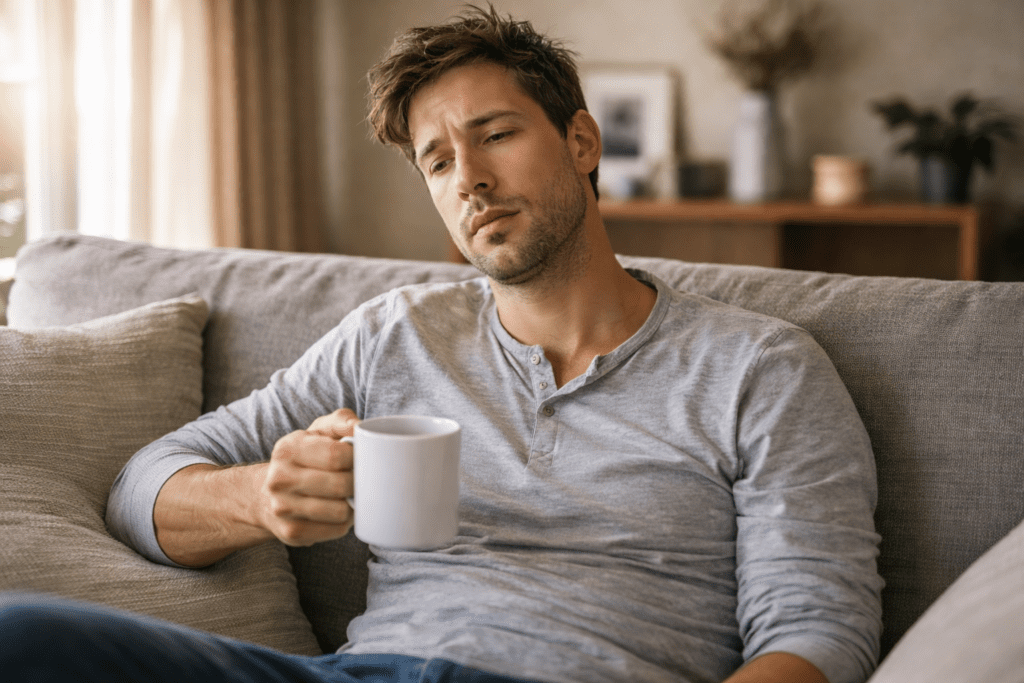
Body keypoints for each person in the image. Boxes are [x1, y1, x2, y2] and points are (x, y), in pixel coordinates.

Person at [0, 6, 883, 683]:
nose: (472, 180)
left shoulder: (760, 366)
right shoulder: (397, 332)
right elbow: (139, 486)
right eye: (437, 160)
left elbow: (817, 631)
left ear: (581, 141)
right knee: (23, 633)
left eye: (496, 134)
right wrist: (258, 498)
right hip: (359, 672)